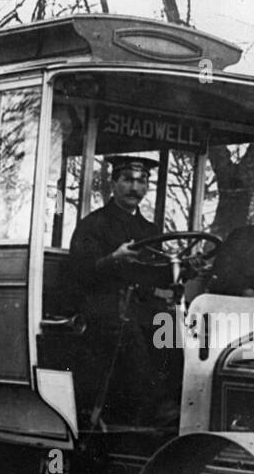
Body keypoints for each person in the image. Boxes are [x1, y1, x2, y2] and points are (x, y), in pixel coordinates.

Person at [67, 155, 179, 426]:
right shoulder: (93, 224)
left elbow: (157, 274)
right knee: (136, 350)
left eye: (142, 181)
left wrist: (183, 268)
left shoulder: (148, 229)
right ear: (114, 183)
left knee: (175, 338)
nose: (134, 188)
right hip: (105, 309)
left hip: (144, 309)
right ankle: (140, 418)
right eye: (127, 180)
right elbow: (81, 272)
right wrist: (113, 259)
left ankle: (168, 408)